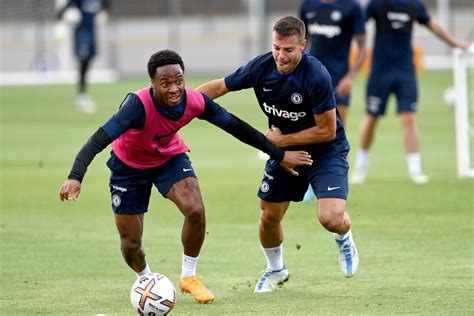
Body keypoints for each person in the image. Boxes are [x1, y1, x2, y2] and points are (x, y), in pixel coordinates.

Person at [58, 50, 313, 303]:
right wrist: (75, 176)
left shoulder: (194, 101)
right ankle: (147, 282)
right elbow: (98, 139)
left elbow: (236, 127)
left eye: (178, 80)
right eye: (165, 83)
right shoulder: (136, 106)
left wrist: (279, 155)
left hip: (169, 158)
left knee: (195, 209)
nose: (173, 88)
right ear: (153, 84)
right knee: (131, 243)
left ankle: (189, 277)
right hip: (128, 168)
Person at [197, 16, 359, 293]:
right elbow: (221, 86)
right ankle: (276, 270)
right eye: (276, 48)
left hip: (325, 151)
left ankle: (344, 238)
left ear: (303, 45)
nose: (280, 56)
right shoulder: (261, 67)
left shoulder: (316, 75)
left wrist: (280, 141)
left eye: (288, 50)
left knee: (330, 218)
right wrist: (184, 104)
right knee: (269, 216)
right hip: (283, 150)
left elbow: (327, 130)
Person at [350, 0, 469, 184]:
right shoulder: (377, 4)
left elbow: (432, 25)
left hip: (405, 71)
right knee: (371, 117)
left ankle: (415, 170)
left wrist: (454, 43)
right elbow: (356, 26)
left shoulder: (414, 5)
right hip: (380, 72)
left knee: (409, 118)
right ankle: (360, 167)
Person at [299, 0, 367, 202]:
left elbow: (363, 46)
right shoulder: (308, 5)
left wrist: (351, 76)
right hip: (310, 79)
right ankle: (309, 182)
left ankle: (333, 182)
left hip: (339, 80)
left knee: (334, 133)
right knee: (308, 127)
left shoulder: (352, 7)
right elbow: (299, 41)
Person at [56, 0, 109, 114]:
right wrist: (62, 20)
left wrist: (104, 12)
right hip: (81, 34)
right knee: (83, 62)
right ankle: (82, 95)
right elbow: (63, 9)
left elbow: (106, 4)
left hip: (92, 32)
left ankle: (83, 94)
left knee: (88, 62)